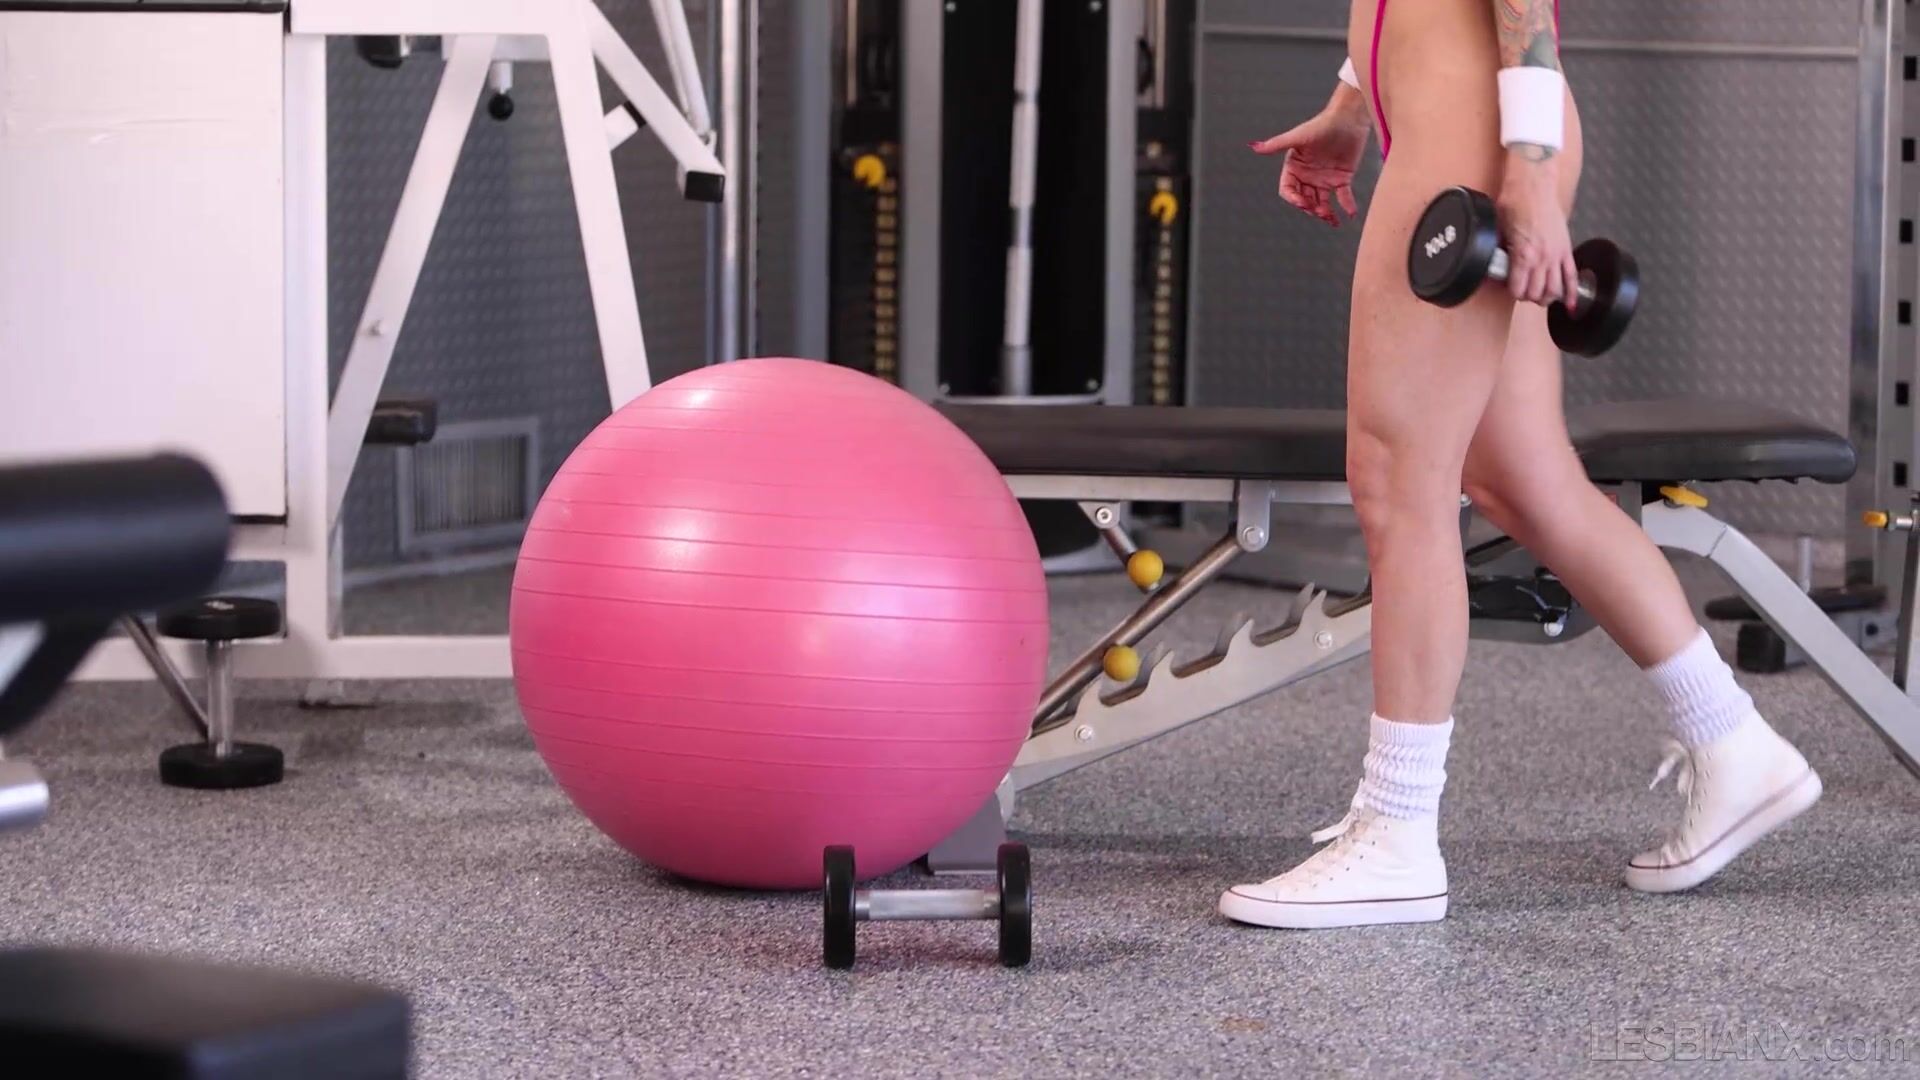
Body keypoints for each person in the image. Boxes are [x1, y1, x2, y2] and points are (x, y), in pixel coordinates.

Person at [1217, 0, 1823, 930]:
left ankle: (1396, 832)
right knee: (1523, 477)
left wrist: (1530, 169)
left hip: (1476, 137)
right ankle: (1731, 740)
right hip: (1462, 122)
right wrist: (1351, 102)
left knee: (1398, 481)